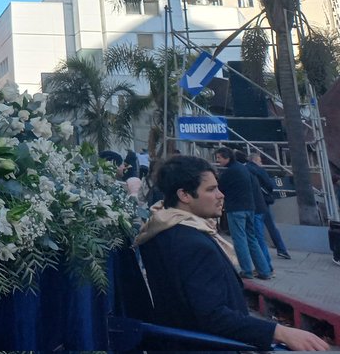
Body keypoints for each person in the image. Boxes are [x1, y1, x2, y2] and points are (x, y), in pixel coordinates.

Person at [137, 155, 328, 350]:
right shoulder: (192, 243)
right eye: (211, 189)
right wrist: (278, 332)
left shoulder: (159, 230)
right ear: (184, 195)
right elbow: (213, 316)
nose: (220, 195)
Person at [214, 146, 273, 280]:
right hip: (250, 208)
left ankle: (246, 270)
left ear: (227, 157)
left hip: (236, 209)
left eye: (219, 158)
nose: (218, 161)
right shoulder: (243, 169)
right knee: (252, 239)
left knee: (239, 239)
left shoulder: (229, 172)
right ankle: (264, 270)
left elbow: (220, 188)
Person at [248, 151, 291, 260]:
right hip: (264, 201)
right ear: (255, 160)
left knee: (257, 229)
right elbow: (269, 185)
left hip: (252, 202)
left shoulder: (246, 170)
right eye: (260, 161)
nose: (261, 163)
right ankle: (281, 249)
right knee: (271, 226)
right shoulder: (260, 171)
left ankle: (261, 253)